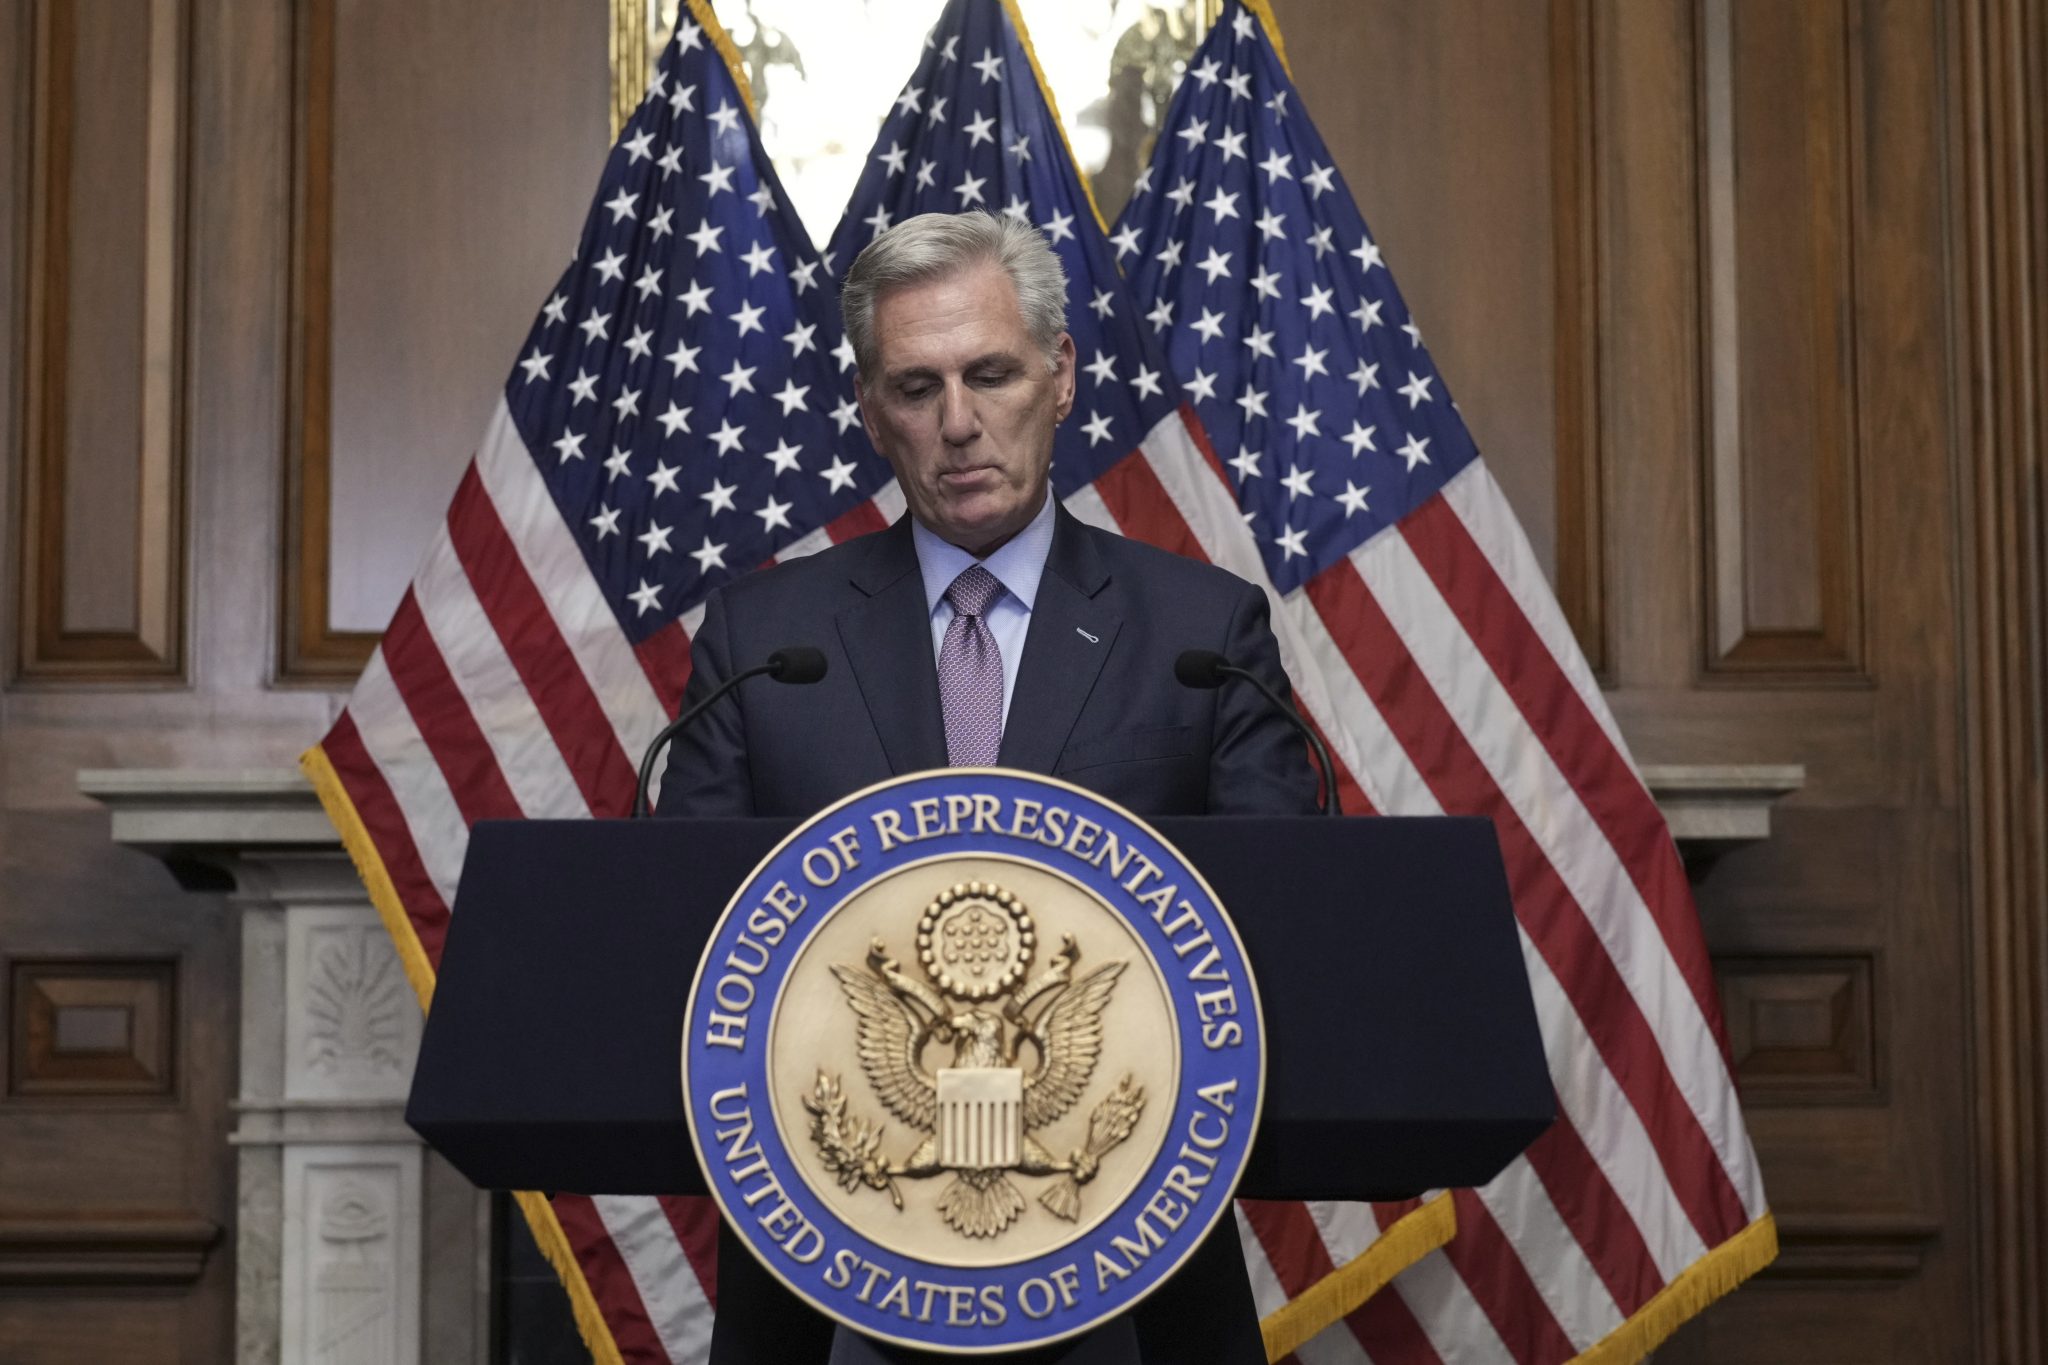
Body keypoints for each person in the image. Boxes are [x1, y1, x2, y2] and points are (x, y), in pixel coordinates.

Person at [660, 211, 1316, 1364]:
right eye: (915, 387)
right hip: (829, 1290)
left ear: (1058, 379)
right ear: (869, 409)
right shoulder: (764, 644)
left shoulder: (1196, 632)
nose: (957, 424)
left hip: (1129, 1280)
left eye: (990, 375)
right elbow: (690, 962)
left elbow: (1275, 957)